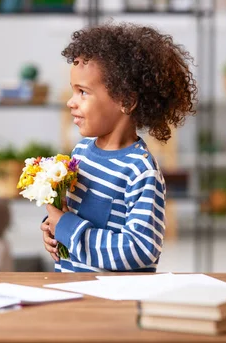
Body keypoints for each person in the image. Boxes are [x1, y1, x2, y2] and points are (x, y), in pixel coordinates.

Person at [41, 22, 197, 272]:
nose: (71, 102)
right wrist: (52, 227)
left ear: (126, 101)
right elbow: (72, 216)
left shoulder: (140, 170)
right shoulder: (80, 153)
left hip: (114, 301)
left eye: (83, 92)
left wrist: (66, 227)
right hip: (73, 291)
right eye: (73, 91)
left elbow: (141, 250)